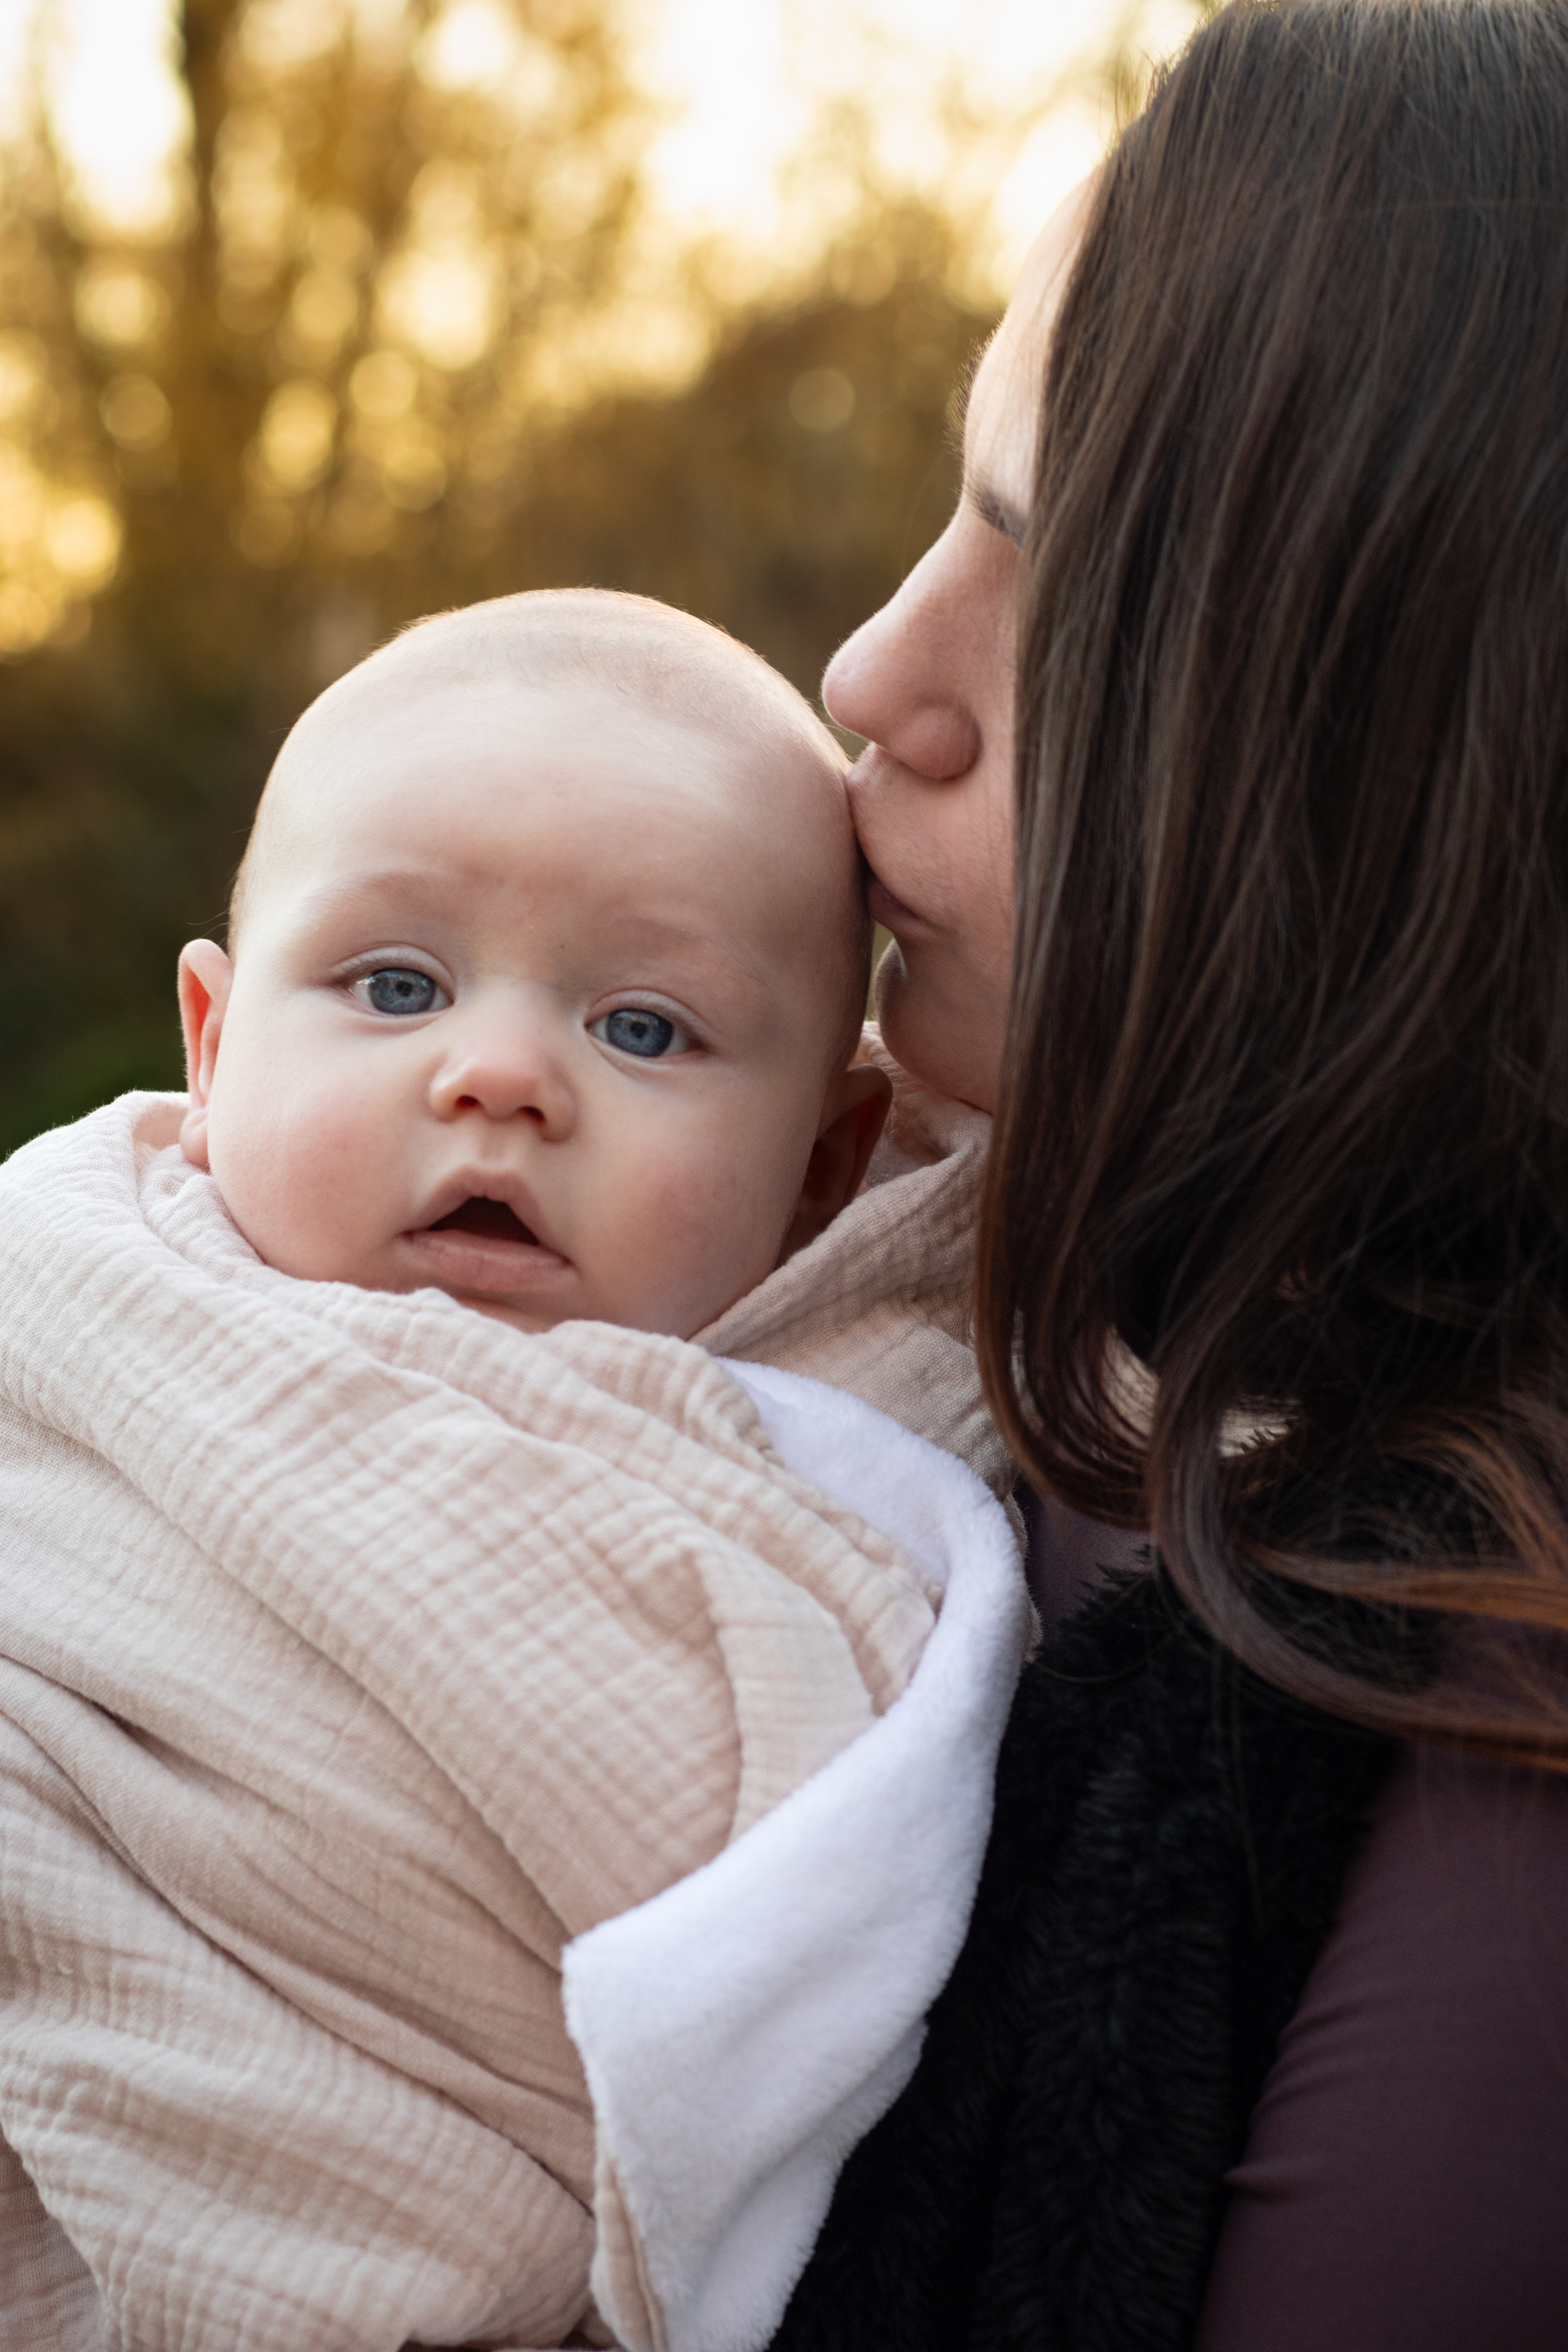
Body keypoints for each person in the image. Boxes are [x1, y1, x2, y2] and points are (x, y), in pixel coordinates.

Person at [772, 2, 1568, 2345]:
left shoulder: (1486, 1784)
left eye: (1055, 564)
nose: (869, 670)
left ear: (1396, 724)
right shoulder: (887, 1330)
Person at [0, 589, 1031, 2351]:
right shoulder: (77, 1316)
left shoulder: (894, 1434)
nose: (496, 1077)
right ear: (213, 1041)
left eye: (643, 1029)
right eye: (394, 986)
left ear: (820, 1164)